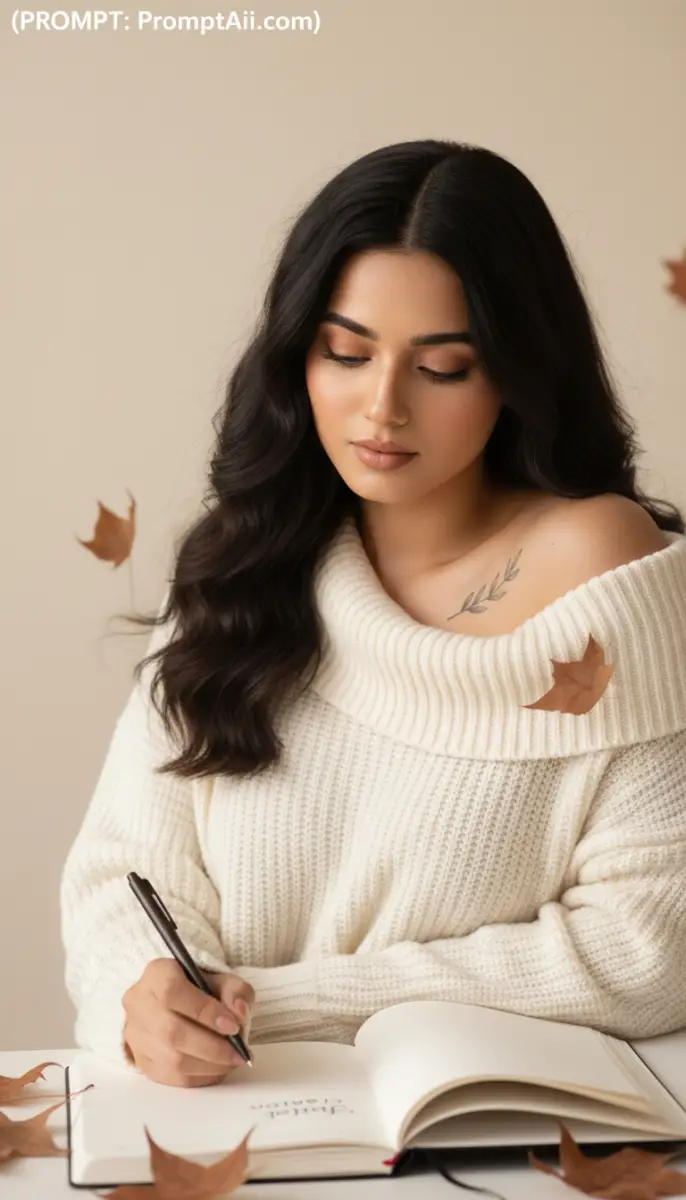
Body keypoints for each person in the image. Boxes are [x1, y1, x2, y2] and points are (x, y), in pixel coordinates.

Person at [60, 139, 686, 1090]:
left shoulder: (598, 563)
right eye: (346, 353)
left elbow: (645, 947)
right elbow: (124, 875)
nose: (381, 408)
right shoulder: (244, 564)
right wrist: (142, 1001)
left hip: (492, 1140)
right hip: (231, 1119)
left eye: (442, 369)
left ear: (519, 372)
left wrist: (277, 1006)